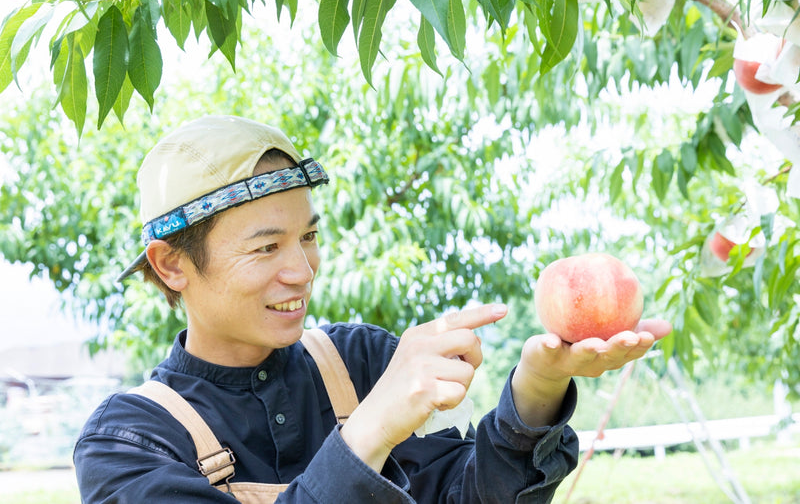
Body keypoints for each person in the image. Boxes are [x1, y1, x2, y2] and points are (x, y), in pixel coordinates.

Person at [73, 115, 671, 503]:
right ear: (172, 265)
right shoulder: (128, 442)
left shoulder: (359, 361)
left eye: (307, 237)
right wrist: (370, 428)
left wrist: (539, 387)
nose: (302, 271)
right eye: (265, 247)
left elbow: (467, 496)